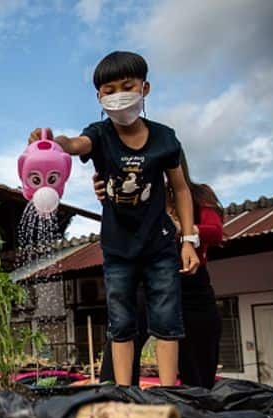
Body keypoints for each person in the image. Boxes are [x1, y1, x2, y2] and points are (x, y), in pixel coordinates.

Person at [29, 50, 200, 386]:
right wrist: (54, 143)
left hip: (160, 244)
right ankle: (124, 393)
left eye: (127, 85)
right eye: (109, 90)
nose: (118, 95)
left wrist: (189, 241)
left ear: (144, 88)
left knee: (167, 319)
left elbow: (180, 189)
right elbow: (76, 144)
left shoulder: (165, 138)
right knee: (120, 323)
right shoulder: (100, 134)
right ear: (99, 97)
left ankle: (167, 393)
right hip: (117, 247)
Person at [97, 152, 225, 388]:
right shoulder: (144, 195)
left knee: (199, 369)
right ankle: (118, 402)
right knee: (122, 338)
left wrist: (183, 228)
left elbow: (215, 232)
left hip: (192, 285)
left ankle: (196, 413)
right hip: (149, 281)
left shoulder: (199, 193)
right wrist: (108, 197)